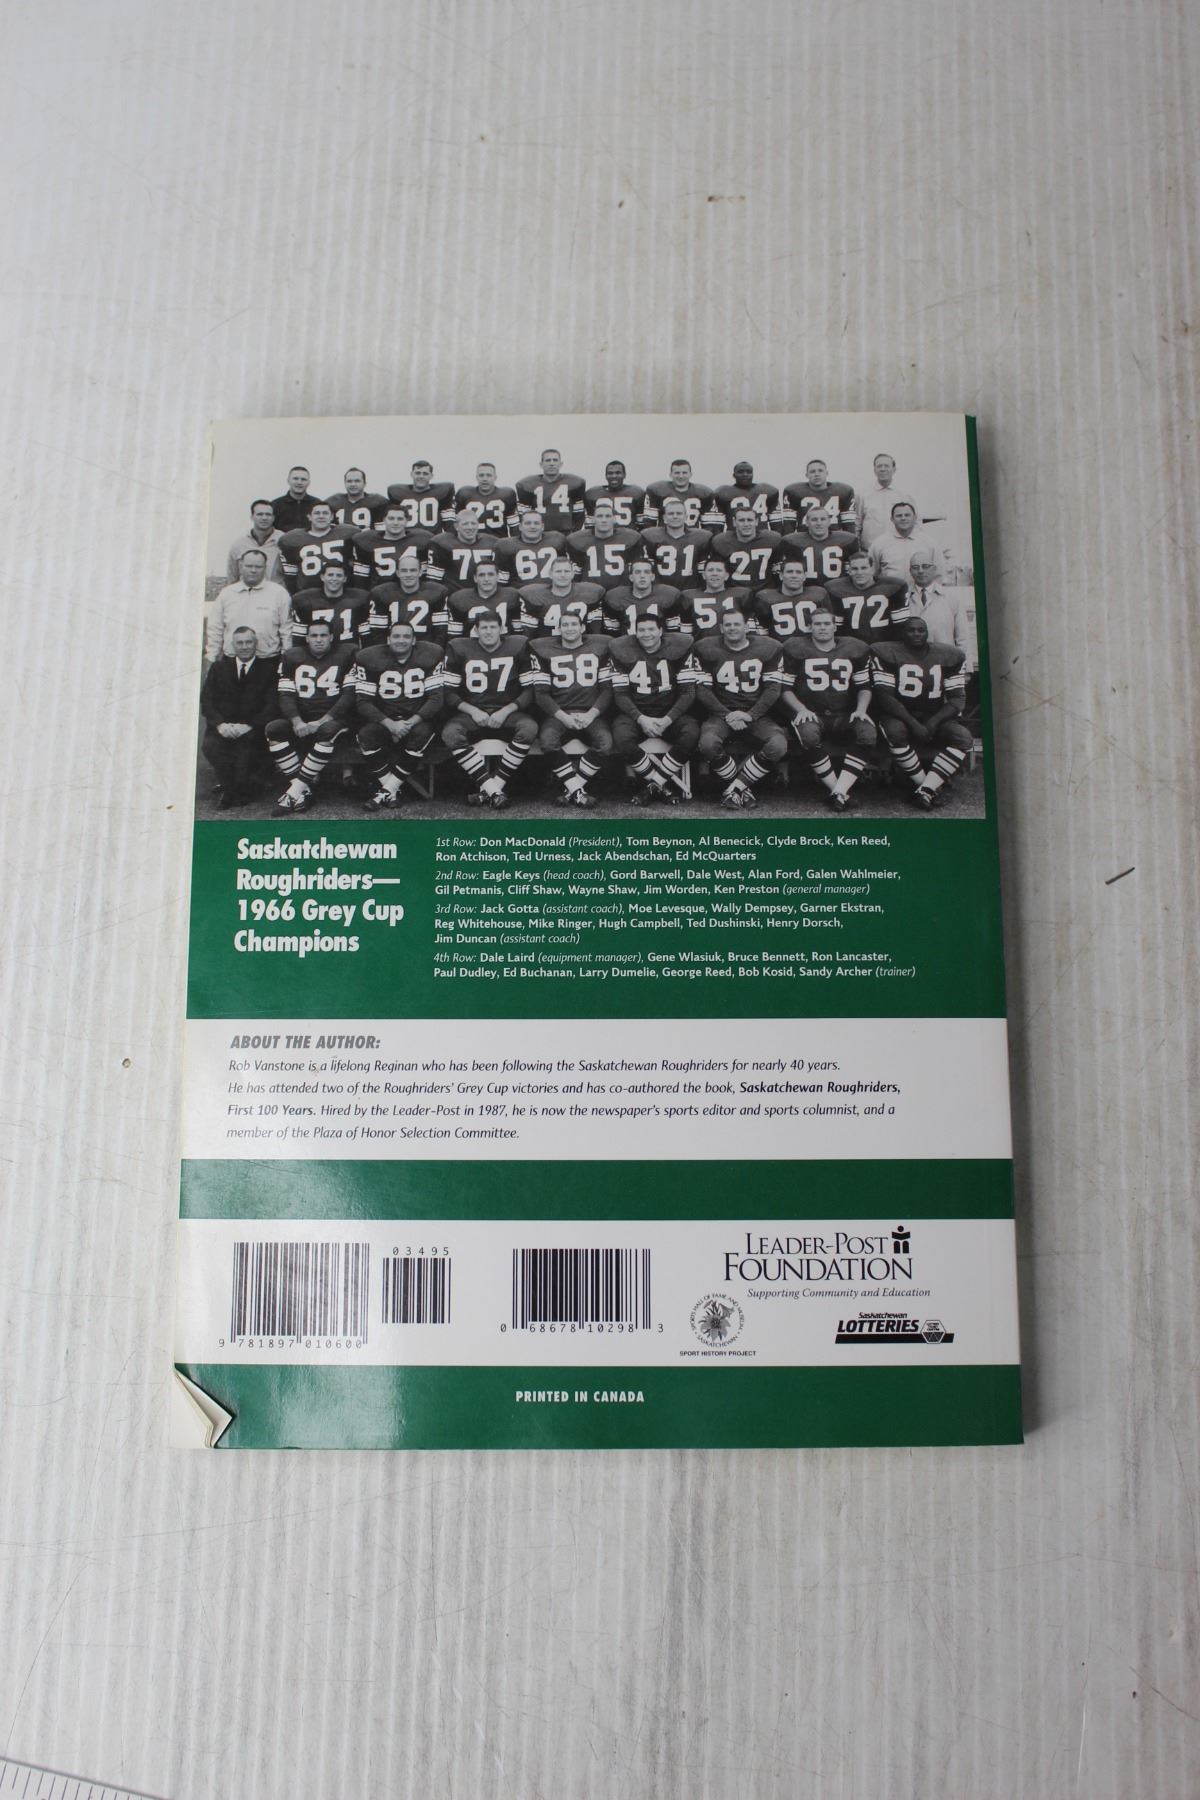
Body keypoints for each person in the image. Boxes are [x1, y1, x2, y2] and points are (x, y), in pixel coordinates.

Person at [776, 598, 874, 812]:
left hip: (844, 713)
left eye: (827, 623)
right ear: (809, 627)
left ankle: (839, 791)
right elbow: (785, 689)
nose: (822, 628)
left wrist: (861, 710)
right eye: (817, 624)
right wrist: (801, 709)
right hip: (812, 712)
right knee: (809, 736)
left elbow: (864, 686)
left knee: (868, 734)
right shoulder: (795, 648)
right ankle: (839, 792)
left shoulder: (854, 648)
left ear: (834, 626)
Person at [690, 606, 787, 808]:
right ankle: (744, 789)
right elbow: (702, 690)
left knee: (778, 744)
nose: (732, 628)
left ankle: (734, 789)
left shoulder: (769, 648)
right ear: (721, 628)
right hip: (721, 714)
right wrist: (728, 715)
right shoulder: (706, 648)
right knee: (708, 743)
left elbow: (773, 689)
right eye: (728, 625)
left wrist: (750, 715)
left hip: (756, 714)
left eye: (737, 624)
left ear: (746, 627)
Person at [440, 610, 539, 807]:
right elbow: (448, 692)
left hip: (507, 712)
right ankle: (494, 792)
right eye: (483, 627)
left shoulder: (518, 645)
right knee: (450, 733)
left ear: (502, 629)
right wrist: (472, 710)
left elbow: (530, 690)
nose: (488, 632)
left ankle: (491, 790)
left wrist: (506, 710)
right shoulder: (459, 647)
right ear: (476, 630)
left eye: (493, 627)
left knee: (529, 728)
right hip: (473, 712)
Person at [870, 615, 971, 808]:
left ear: (927, 633)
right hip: (899, 714)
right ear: (902, 633)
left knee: (963, 738)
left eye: (920, 630)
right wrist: (913, 724)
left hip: (933, 714)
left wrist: (933, 722)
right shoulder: (887, 652)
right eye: (911, 630)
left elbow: (957, 699)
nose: (916, 634)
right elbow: (885, 697)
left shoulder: (949, 655)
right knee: (895, 732)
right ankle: (926, 787)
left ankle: (925, 790)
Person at [266, 619, 358, 814]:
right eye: (314, 635)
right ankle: (304, 791)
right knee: (273, 730)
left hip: (335, 718)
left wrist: (323, 720)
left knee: (327, 732)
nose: (318, 639)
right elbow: (285, 694)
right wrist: (297, 721)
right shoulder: (292, 656)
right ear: (306, 638)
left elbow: (349, 695)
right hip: (303, 717)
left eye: (323, 635)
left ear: (331, 637)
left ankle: (293, 793)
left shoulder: (346, 654)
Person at [608, 611, 699, 805]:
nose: (646, 634)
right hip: (637, 713)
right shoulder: (621, 650)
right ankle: (662, 787)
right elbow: (620, 694)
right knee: (622, 737)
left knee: (690, 732)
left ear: (661, 631)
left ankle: (652, 786)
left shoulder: (680, 648)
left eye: (651, 629)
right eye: (641, 630)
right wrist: (641, 719)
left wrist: (667, 719)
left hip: (669, 712)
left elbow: (688, 693)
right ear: (635, 632)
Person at [353, 620, 445, 809]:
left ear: (414, 640)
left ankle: (385, 792)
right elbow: (363, 702)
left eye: (406, 636)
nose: (401, 640)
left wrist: (410, 722)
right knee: (365, 736)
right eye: (396, 636)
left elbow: (436, 699)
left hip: (416, 719)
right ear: (388, 639)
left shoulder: (431, 655)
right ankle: (392, 791)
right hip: (386, 719)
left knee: (422, 733)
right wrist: (390, 724)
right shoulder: (368, 658)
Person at [530, 609, 613, 807]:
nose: (569, 628)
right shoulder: (545, 653)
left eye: (574, 624)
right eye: (565, 625)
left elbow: (607, 690)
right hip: (559, 714)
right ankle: (578, 791)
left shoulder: (599, 650)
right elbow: (541, 695)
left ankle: (570, 791)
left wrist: (591, 715)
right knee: (548, 741)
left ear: (583, 628)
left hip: (590, 713)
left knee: (605, 743)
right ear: (558, 629)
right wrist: (564, 717)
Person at [199, 625, 277, 808]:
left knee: (246, 750)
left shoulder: (269, 670)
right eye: (240, 643)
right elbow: (207, 701)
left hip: (253, 729)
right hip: (223, 728)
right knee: (211, 746)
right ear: (233, 645)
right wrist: (220, 725)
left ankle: (235, 789)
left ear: (255, 643)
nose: (244, 646)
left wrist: (248, 725)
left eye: (248, 642)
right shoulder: (219, 668)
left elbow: (271, 705)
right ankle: (231, 788)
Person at [206, 549, 292, 663]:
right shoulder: (227, 594)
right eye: (249, 566)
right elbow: (215, 627)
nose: (253, 570)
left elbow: (286, 629)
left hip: (267, 660)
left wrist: (286, 659)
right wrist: (212, 655)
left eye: (258, 567)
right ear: (241, 566)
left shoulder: (279, 593)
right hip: (232, 660)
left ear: (265, 568)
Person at [826, 548, 911, 644]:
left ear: (872, 569)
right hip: (852, 646)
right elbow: (836, 629)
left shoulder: (894, 587)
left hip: (884, 645)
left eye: (864, 568)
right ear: (849, 571)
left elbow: (901, 626)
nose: (859, 573)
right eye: (855, 569)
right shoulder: (837, 589)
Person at [367, 549, 447, 645]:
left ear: (420, 572)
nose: (408, 575)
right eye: (404, 571)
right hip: (395, 647)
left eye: (413, 570)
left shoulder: (436, 592)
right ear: (398, 573)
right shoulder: (382, 593)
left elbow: (440, 632)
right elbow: (378, 633)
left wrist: (434, 650)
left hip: (425, 647)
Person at [566, 496, 645, 589]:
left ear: (614, 519)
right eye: (599, 516)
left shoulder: (630, 538)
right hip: (590, 591)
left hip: (619, 592)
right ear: (592, 519)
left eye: (608, 516)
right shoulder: (578, 540)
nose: (604, 520)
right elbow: (576, 574)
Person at [277, 501, 355, 593]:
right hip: (307, 592)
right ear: (309, 517)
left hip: (341, 593)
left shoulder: (347, 534)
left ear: (332, 517)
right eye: (317, 513)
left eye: (325, 513)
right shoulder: (292, 539)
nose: (321, 516)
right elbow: (290, 575)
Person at [518, 553, 604, 636]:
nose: (563, 575)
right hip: (547, 644)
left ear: (573, 574)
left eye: (567, 571)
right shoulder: (535, 596)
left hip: (578, 644)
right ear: (550, 574)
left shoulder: (588, 593)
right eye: (558, 571)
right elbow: (529, 635)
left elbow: (595, 633)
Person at [353, 503, 435, 588]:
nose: (395, 523)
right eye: (391, 518)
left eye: (400, 519)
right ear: (384, 520)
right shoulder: (368, 541)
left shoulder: (421, 540)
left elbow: (425, 576)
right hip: (381, 592)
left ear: (407, 521)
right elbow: (361, 580)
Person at [905, 552, 971, 656]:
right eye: (915, 567)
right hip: (911, 662)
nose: (920, 571)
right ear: (910, 571)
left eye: (925, 566)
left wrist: (963, 665)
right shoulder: (902, 599)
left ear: (934, 569)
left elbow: (963, 640)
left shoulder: (952, 598)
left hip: (945, 661)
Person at [290, 563, 372, 647]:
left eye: (339, 575)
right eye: (330, 575)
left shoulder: (359, 599)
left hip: (348, 650)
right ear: (322, 577)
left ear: (345, 579)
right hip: (318, 651)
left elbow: (365, 636)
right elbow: (298, 638)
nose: (334, 579)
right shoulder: (306, 600)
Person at [600, 556, 681, 637]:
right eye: (637, 572)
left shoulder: (668, 596)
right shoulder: (615, 597)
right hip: (626, 644)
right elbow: (611, 635)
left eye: (646, 572)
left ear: (652, 577)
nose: (642, 576)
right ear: (631, 577)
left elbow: (673, 635)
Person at [776, 505, 858, 585]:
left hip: (836, 589)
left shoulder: (847, 540)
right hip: (806, 589)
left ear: (829, 521)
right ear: (806, 522)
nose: (819, 523)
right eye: (814, 520)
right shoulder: (791, 542)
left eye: (823, 519)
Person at [709, 500, 781, 587]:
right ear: (734, 522)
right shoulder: (722, 542)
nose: (746, 524)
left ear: (756, 521)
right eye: (741, 520)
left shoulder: (771, 539)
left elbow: (778, 570)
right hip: (735, 591)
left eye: (750, 520)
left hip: (764, 590)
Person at [642, 494, 713, 584]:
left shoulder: (700, 538)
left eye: (679, 513)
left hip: (690, 588)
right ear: (664, 518)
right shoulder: (651, 536)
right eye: (671, 513)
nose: (675, 516)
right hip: (661, 589)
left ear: (686, 517)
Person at [855, 452, 920, 550]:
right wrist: (857, 549)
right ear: (874, 470)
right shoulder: (863, 495)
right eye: (879, 466)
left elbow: (916, 522)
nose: (883, 469)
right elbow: (857, 524)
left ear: (894, 469)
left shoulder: (905, 494)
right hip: (870, 550)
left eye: (886, 466)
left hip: (898, 549)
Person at [515, 448, 586, 534]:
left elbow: (579, 514)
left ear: (561, 464)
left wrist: (574, 533)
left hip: (565, 532)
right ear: (541, 464)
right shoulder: (527, 484)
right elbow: (523, 516)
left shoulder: (575, 483)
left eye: (555, 460)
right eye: (548, 460)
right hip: (539, 534)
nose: (551, 463)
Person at [751, 556, 822, 641]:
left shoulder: (819, 595)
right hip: (780, 647)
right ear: (781, 575)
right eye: (789, 572)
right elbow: (762, 633)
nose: (794, 576)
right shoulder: (765, 598)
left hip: (810, 648)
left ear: (804, 576)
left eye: (798, 572)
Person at [446, 558, 521, 637]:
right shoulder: (460, 599)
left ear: (498, 576)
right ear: (475, 578)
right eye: (481, 575)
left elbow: (518, 633)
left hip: (504, 643)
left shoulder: (512, 596)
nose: (486, 579)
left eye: (490, 574)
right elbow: (454, 638)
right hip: (471, 644)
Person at [427, 507, 501, 587]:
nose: (470, 527)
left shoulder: (491, 542)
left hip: (483, 593)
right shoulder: (442, 544)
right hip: (454, 593)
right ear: (456, 526)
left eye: (473, 523)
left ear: (478, 525)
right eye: (465, 524)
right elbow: (434, 582)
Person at [493, 509, 567, 586]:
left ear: (542, 527)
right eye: (528, 523)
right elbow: (502, 582)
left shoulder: (557, 540)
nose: (532, 526)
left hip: (552, 591)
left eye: (536, 523)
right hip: (520, 592)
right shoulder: (506, 546)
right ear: (520, 527)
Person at [872, 502, 939, 584]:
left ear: (915, 517)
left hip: (919, 591)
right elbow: (871, 574)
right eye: (899, 516)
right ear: (892, 519)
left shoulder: (929, 543)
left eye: (907, 515)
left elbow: (938, 574)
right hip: (891, 591)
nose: (903, 518)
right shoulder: (879, 543)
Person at [676, 557, 745, 637]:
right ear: (703, 575)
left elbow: (747, 630)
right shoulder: (689, 597)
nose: (714, 573)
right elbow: (686, 635)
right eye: (710, 570)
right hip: (701, 643)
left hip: (731, 643)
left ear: (726, 576)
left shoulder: (740, 595)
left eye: (719, 570)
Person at [643, 458, 720, 529]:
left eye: (684, 473)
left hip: (693, 535)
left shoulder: (704, 493)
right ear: (670, 474)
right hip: (665, 536)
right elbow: (649, 524)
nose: (681, 476)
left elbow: (710, 526)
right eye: (677, 473)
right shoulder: (657, 490)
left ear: (690, 474)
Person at [781, 459, 856, 533]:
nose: (816, 474)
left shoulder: (844, 491)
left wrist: (850, 540)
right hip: (804, 537)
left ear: (826, 473)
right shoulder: (793, 492)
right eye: (812, 471)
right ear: (807, 475)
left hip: (834, 537)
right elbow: (789, 525)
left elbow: (849, 525)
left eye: (820, 470)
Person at [386, 460, 455, 531]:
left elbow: (449, 521)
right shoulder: (397, 492)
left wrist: (450, 536)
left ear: (431, 476)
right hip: (407, 537)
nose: (421, 476)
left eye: (425, 474)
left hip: (432, 537)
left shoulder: (442, 492)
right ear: (412, 474)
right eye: (417, 473)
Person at [454, 462, 518, 536]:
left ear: (495, 477)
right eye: (481, 475)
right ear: (476, 477)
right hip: (472, 541)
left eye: (489, 475)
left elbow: (514, 525)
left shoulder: (507, 494)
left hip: (498, 541)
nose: (485, 479)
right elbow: (456, 523)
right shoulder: (465, 494)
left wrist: (515, 542)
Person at [227, 500, 283, 582]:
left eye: (268, 514)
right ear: (252, 517)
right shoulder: (239, 545)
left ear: (273, 518)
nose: (264, 518)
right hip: (247, 590)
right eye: (260, 514)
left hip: (276, 589)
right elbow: (232, 578)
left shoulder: (284, 541)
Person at [712, 460, 779, 529]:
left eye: (749, 472)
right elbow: (717, 526)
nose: (745, 474)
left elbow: (776, 524)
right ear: (734, 475)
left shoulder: (766, 490)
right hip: (735, 534)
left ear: (753, 474)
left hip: (761, 534)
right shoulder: (724, 492)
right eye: (740, 472)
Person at [584, 459, 646, 529]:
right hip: (603, 535)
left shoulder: (636, 493)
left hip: (629, 535)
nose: (614, 476)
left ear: (624, 475)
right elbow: (590, 527)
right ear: (606, 476)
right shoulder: (593, 494)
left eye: (618, 473)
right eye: (610, 473)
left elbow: (642, 526)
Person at [271, 466, 322, 534]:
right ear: (288, 481)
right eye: (295, 478)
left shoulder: (317, 504)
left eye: (303, 479)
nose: (299, 482)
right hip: (284, 540)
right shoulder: (275, 505)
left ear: (309, 482)